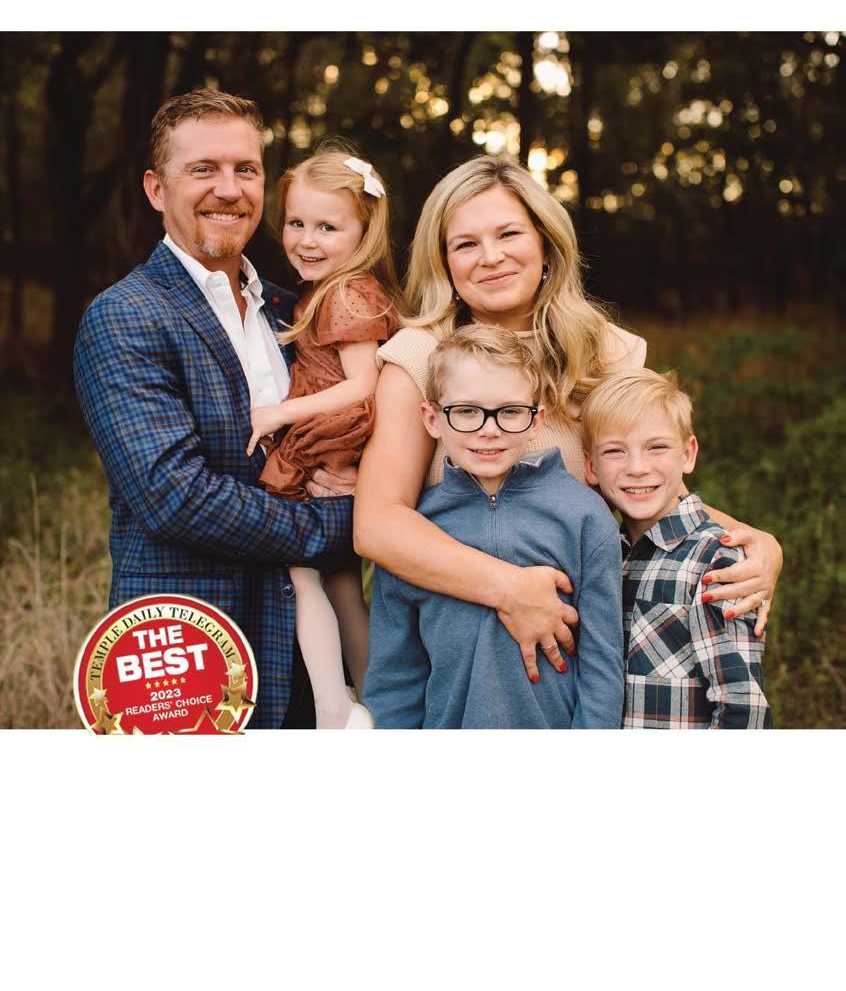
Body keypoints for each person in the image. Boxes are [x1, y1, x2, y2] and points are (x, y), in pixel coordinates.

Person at [353, 155, 782, 683]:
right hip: (459, 650)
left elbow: (652, 491)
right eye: (465, 244)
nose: (490, 257)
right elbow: (378, 524)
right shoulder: (421, 355)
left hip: (584, 645)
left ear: (545, 243)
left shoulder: (604, 352)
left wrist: (755, 541)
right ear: (444, 263)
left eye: (509, 234)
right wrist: (510, 590)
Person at [73, 90, 355, 729]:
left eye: (245, 169)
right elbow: (174, 496)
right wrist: (345, 524)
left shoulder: (295, 311)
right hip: (185, 654)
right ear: (156, 189)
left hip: (308, 656)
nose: (229, 189)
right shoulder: (125, 315)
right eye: (203, 169)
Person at [364, 326, 624, 728]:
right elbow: (395, 676)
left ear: (536, 420)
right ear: (432, 419)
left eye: (510, 411)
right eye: (466, 411)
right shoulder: (416, 532)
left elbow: (603, 667)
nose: (489, 429)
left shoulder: (583, 517)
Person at [246, 150, 402, 729]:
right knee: (339, 582)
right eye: (296, 223)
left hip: (330, 435)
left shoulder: (346, 294)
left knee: (302, 573)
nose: (307, 241)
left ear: (364, 232)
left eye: (328, 228)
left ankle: (334, 707)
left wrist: (281, 412)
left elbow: (361, 385)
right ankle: (377, 708)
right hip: (331, 434)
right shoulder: (326, 289)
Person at [581, 369, 772, 728]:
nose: (637, 468)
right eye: (615, 451)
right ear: (591, 467)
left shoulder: (716, 560)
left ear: (688, 453)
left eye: (656, 447)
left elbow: (742, 708)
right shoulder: (607, 555)